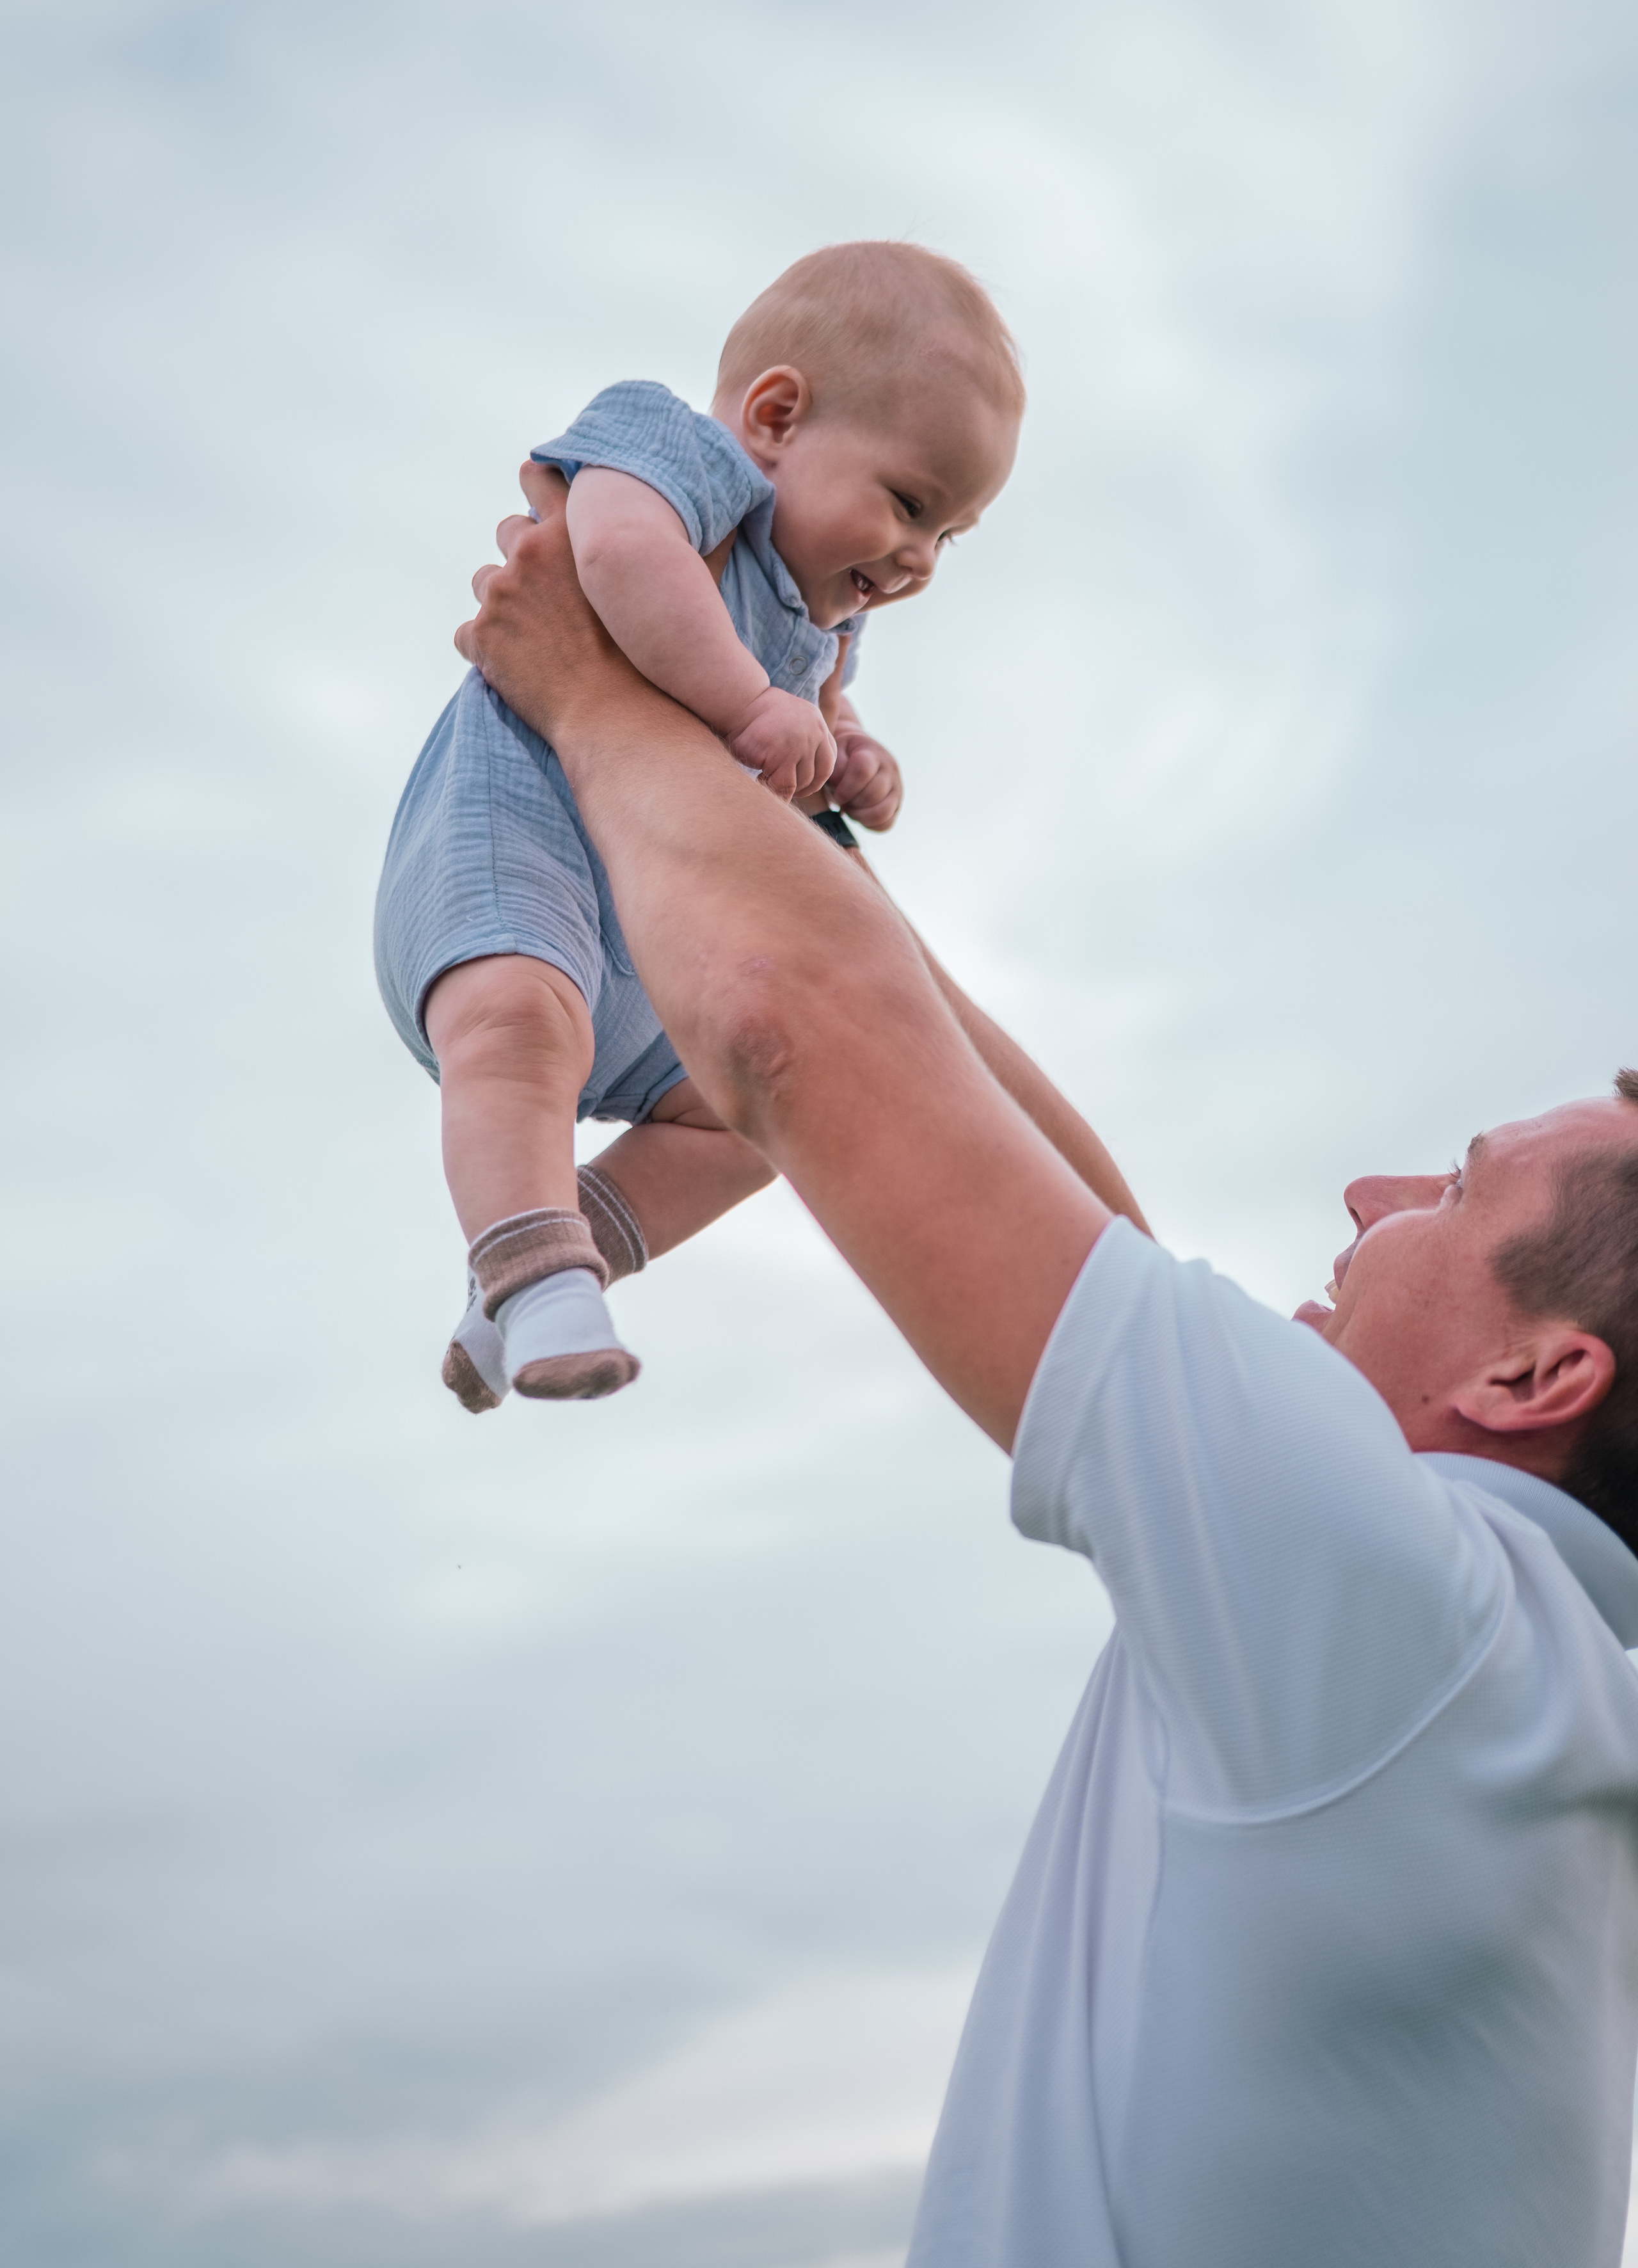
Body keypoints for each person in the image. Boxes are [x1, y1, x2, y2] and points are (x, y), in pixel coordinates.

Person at [449, 473, 1638, 2268]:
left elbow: (789, 1024)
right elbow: (1073, 1218)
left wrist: (584, 691)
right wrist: (797, 816)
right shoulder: (1506, 1687)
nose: (1371, 1193)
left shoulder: (1416, 1623)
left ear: (1541, 1378)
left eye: (1456, 1190)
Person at [374, 241, 1022, 1409]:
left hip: (644, 934)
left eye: (951, 535)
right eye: (912, 503)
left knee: (760, 1107)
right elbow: (621, 556)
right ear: (774, 415)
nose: (922, 557)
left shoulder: (818, 618)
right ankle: (530, 1274)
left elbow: (797, 730)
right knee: (517, 1022)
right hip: (518, 838)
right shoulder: (672, 452)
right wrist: (753, 703)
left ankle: (562, 1254)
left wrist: (848, 756)